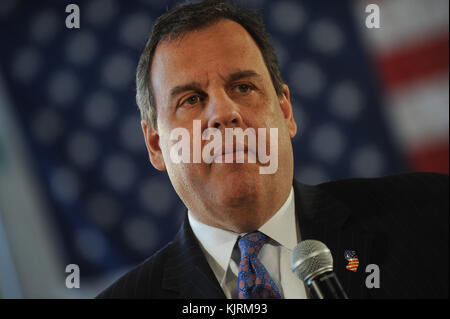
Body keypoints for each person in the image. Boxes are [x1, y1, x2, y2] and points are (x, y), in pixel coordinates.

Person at [97, 0, 448, 299]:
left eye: (243, 87)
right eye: (191, 99)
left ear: (285, 112)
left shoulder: (430, 216)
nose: (224, 113)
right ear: (156, 145)